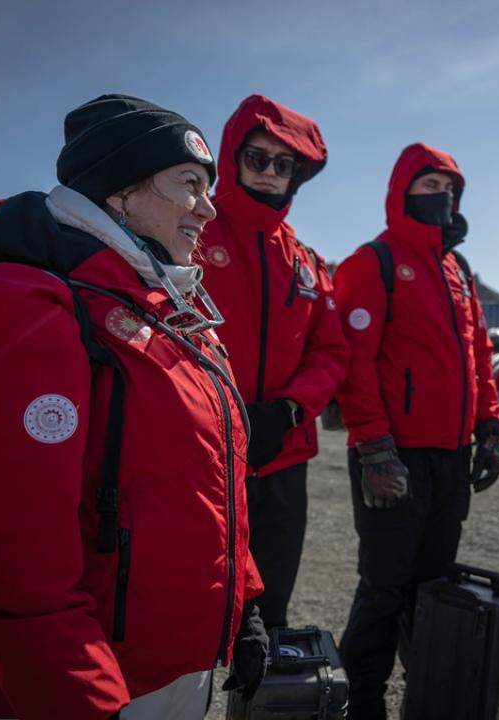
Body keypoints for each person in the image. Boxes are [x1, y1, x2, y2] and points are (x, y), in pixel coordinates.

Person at [0, 95, 267, 720]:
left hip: (180, 664)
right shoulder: (23, 303)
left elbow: (206, 482)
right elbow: (13, 554)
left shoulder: (169, 312)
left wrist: (243, 604)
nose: (209, 207)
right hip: (100, 679)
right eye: (189, 184)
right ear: (121, 190)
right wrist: (79, 697)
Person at [332, 142, 499, 719]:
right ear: (402, 191)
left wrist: (489, 429)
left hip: (450, 457)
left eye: (450, 189)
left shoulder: (459, 271)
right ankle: (363, 706)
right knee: (385, 589)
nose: (443, 196)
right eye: (430, 186)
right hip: (394, 454)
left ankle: (428, 702)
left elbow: (479, 355)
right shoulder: (373, 262)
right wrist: (375, 448)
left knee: (433, 588)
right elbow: (354, 364)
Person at [199, 94, 348, 630]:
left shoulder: (306, 262)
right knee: (191, 611)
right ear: (232, 157)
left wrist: (290, 410)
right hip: (204, 458)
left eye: (284, 164)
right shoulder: (190, 235)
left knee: (270, 614)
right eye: (257, 158)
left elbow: (330, 351)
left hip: (284, 459)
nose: (269, 172)